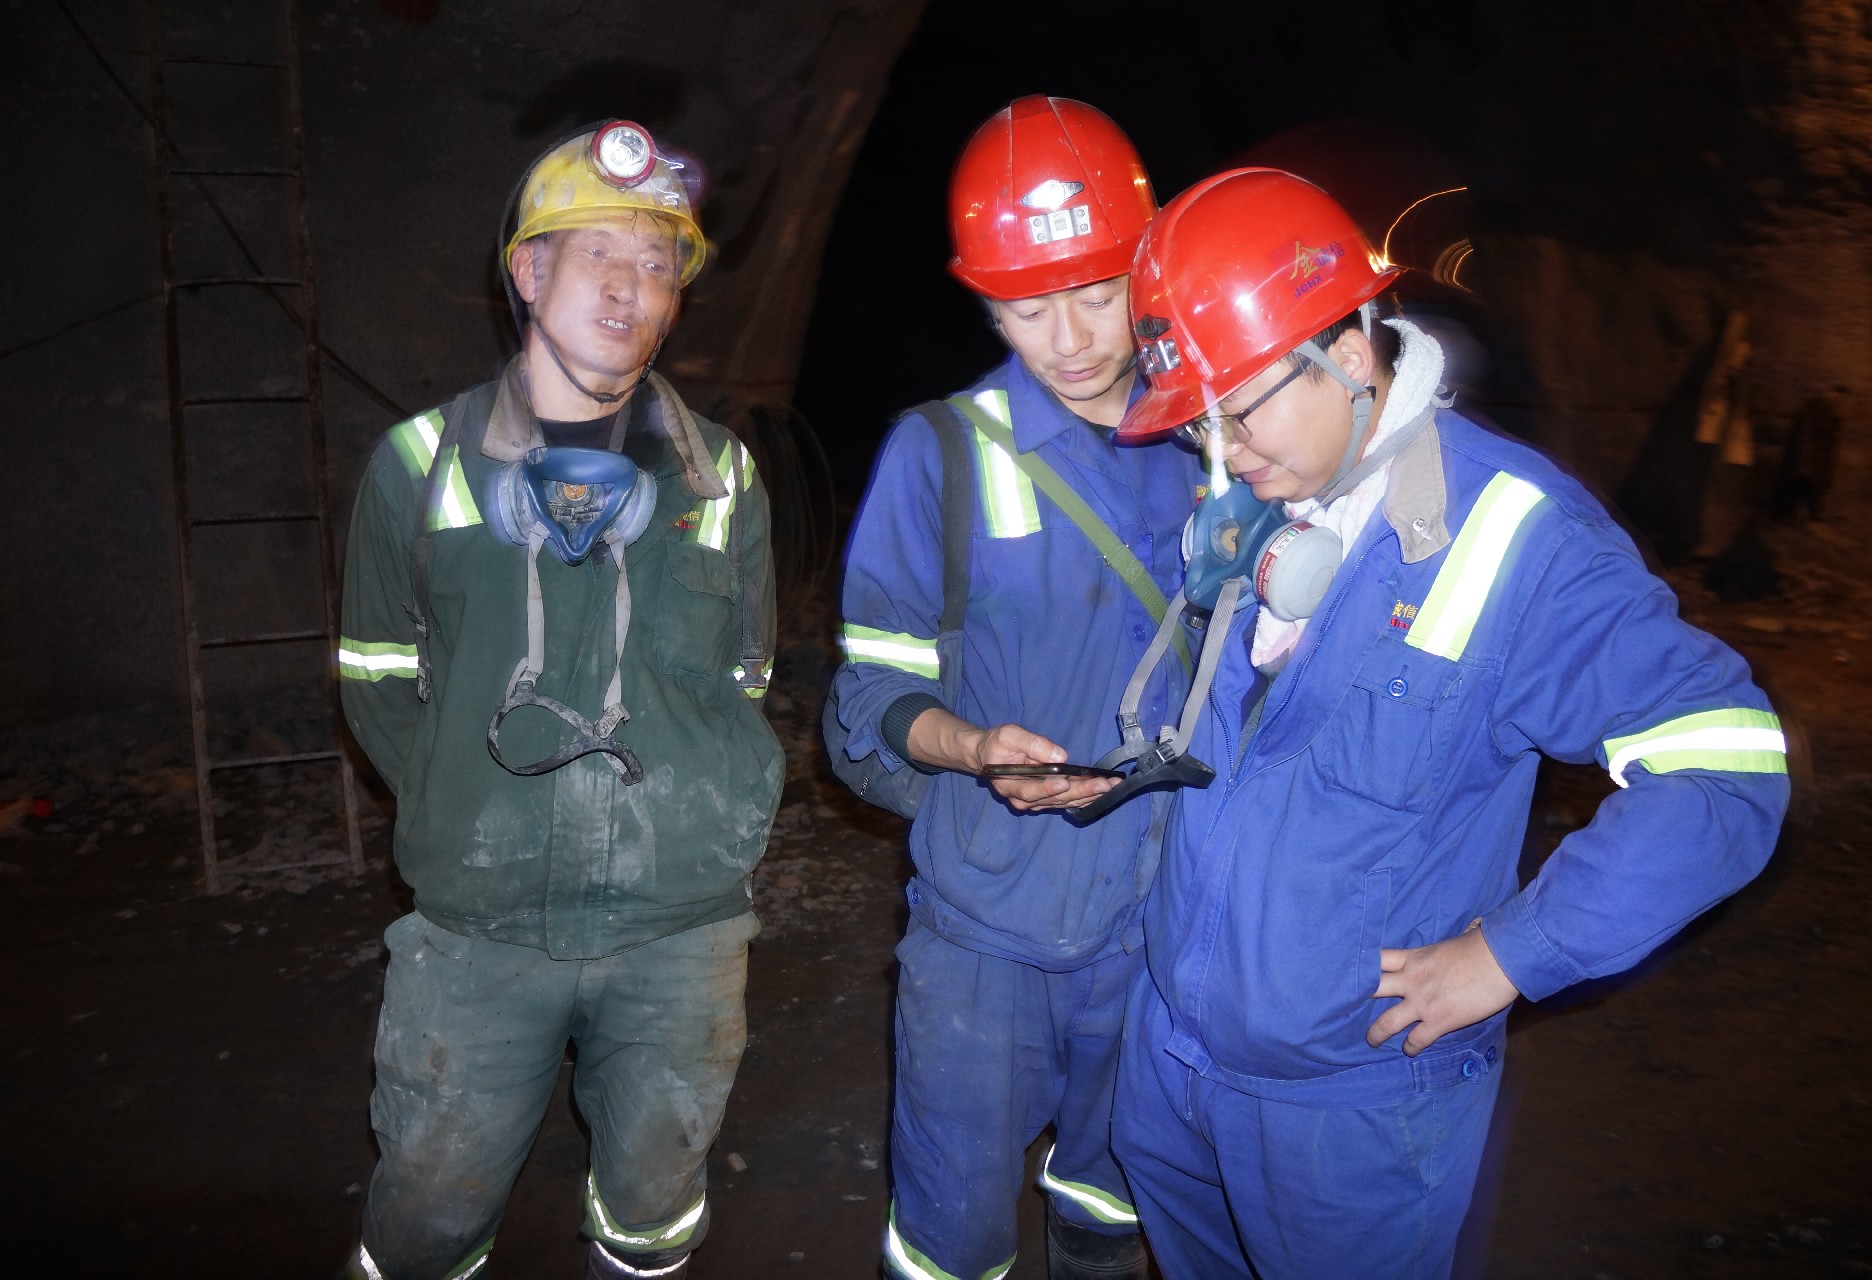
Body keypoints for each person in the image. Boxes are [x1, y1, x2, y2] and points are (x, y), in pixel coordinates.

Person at [1106, 168, 1790, 1279]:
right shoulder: (1254, 496)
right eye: (1201, 424)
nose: (1226, 451)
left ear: (1349, 349)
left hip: (1349, 1117)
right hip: (1172, 1064)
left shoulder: (1520, 535)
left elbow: (1729, 766)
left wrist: (1514, 952)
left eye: (1241, 407)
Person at [336, 120, 782, 1280]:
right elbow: (376, 675)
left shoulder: (721, 476)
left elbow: (746, 673)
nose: (632, 288)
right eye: (600, 255)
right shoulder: (419, 464)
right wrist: (470, 807)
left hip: (681, 928)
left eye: (657, 263)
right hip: (479, 933)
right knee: (428, 1214)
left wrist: (690, 821)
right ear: (530, 273)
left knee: (654, 1203)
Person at [827, 97, 1195, 1280]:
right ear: (986, 304)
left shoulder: (1220, 440)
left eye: (1096, 294)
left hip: (1169, 922)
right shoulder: (938, 453)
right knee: (951, 1237)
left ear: (1145, 270)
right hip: (988, 932)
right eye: (1028, 309)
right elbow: (867, 699)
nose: (1071, 338)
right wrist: (973, 745)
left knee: (1112, 1204)